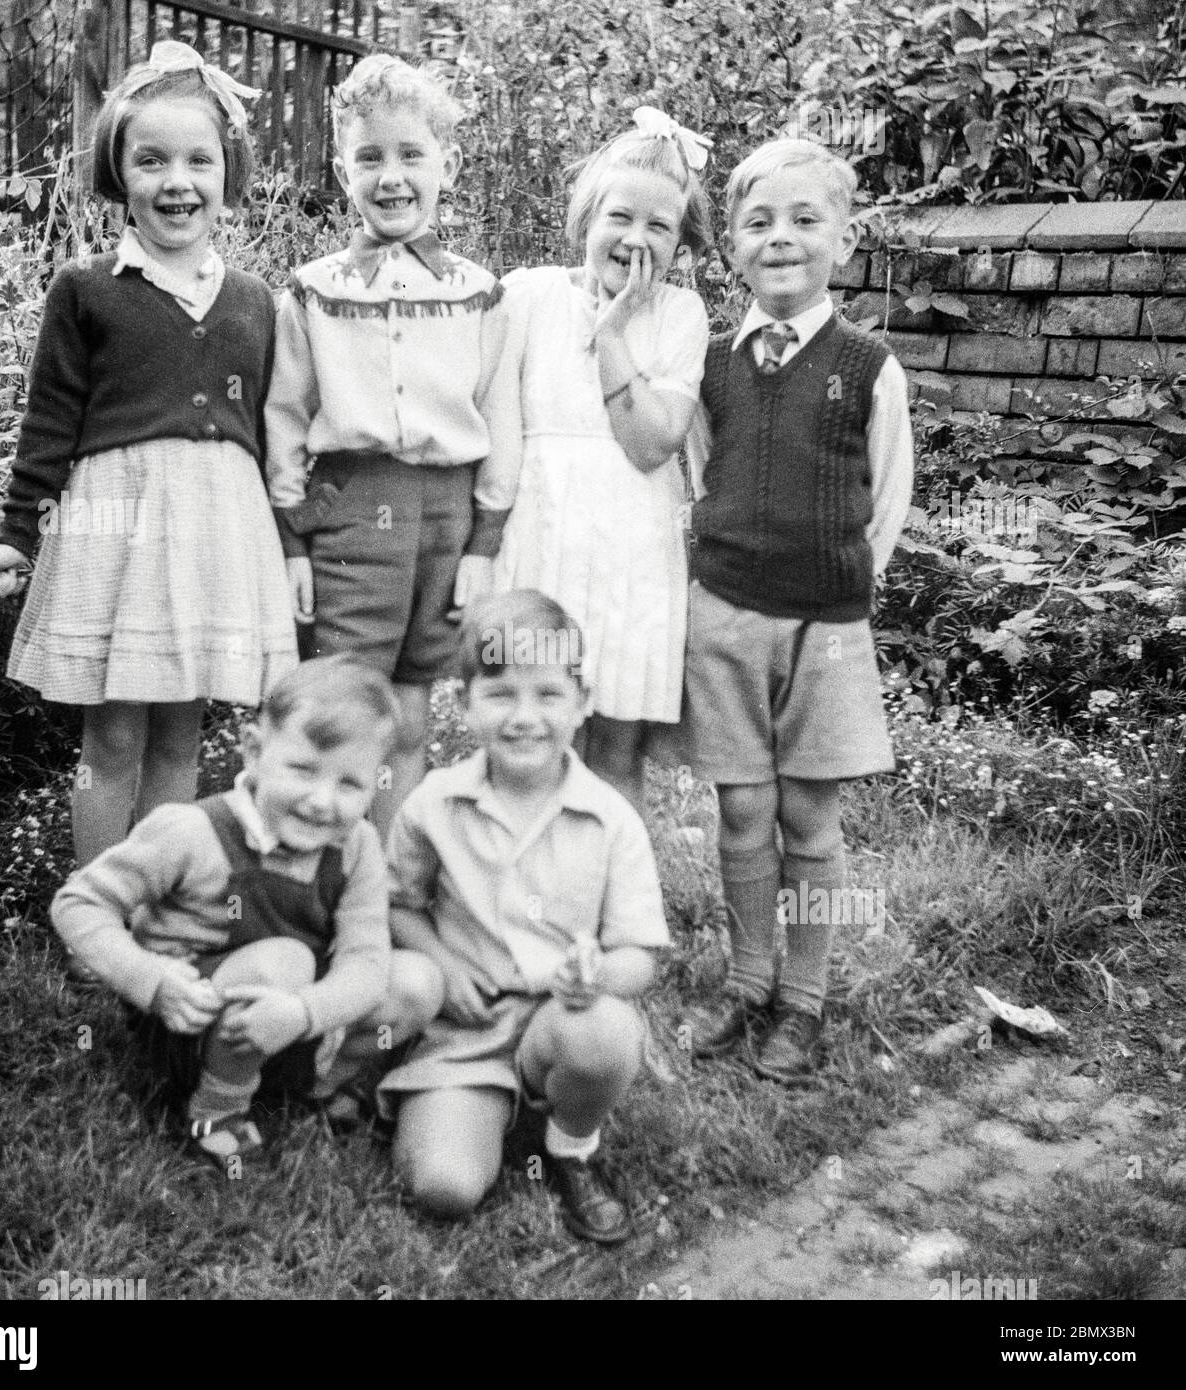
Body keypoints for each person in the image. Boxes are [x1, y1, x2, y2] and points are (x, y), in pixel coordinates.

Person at [0, 41, 297, 872]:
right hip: (117, 530)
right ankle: (94, 906)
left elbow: (276, 434)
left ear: (229, 174)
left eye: (198, 160)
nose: (175, 181)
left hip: (215, 531)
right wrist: (16, 530)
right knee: (112, 737)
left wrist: (293, 546)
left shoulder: (258, 302)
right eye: (150, 161)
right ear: (119, 174)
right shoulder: (87, 288)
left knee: (180, 739)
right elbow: (49, 422)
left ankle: (159, 898)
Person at [662, 137, 913, 1084]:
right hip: (726, 617)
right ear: (731, 243)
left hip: (826, 629)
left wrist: (841, 586)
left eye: (806, 221)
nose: (782, 239)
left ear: (843, 242)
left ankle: (801, 1001)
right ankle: (746, 979)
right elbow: (696, 479)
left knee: (810, 820)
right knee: (742, 812)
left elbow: (886, 500)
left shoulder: (867, 365)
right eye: (759, 222)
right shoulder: (712, 367)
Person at [51, 657, 444, 1170]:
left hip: (288, 1018)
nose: (322, 802)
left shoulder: (358, 846)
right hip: (188, 1018)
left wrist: (305, 1014)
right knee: (284, 961)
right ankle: (215, 1110)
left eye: (350, 784)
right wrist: (149, 979)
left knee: (417, 982)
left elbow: (366, 965)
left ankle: (318, 1083)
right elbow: (78, 902)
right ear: (255, 752)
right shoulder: (191, 831)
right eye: (302, 770)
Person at [265, 53, 521, 840]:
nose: (393, 176)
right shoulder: (312, 293)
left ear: (447, 163)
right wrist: (293, 543)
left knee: (411, 715)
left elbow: (500, 421)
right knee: (343, 711)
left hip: (444, 528)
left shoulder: (481, 295)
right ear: (343, 171)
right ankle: (319, 879)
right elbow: (283, 418)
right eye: (370, 157)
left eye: (412, 154)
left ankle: (391, 881)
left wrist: (484, 544)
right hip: (349, 523)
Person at [378, 591, 669, 1244]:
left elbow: (640, 953)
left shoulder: (610, 818)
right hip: (467, 1031)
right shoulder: (434, 803)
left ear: (581, 700)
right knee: (444, 1188)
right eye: (501, 693)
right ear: (463, 702)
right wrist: (444, 963)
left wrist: (596, 978)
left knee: (605, 1033)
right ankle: (463, 1111)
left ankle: (569, 1146)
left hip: (557, 1020)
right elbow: (397, 903)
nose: (525, 717)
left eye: (547, 694)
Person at [492, 107, 712, 817]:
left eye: (660, 227)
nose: (635, 239)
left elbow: (652, 444)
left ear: (681, 246)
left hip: (631, 552)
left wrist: (613, 330)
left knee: (614, 748)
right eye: (620, 217)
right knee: (528, 738)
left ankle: (609, 907)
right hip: (542, 538)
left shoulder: (680, 316)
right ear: (585, 219)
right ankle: (512, 903)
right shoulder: (526, 297)